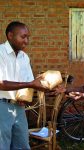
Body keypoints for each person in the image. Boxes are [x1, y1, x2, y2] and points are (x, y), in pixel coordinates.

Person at [0, 21, 49, 150]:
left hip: (19, 108)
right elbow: (1, 84)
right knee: (2, 144)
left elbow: (30, 82)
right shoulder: (1, 53)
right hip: (2, 105)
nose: (26, 41)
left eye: (28, 37)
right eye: (23, 37)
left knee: (22, 145)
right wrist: (30, 83)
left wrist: (50, 88)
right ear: (10, 35)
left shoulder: (24, 57)